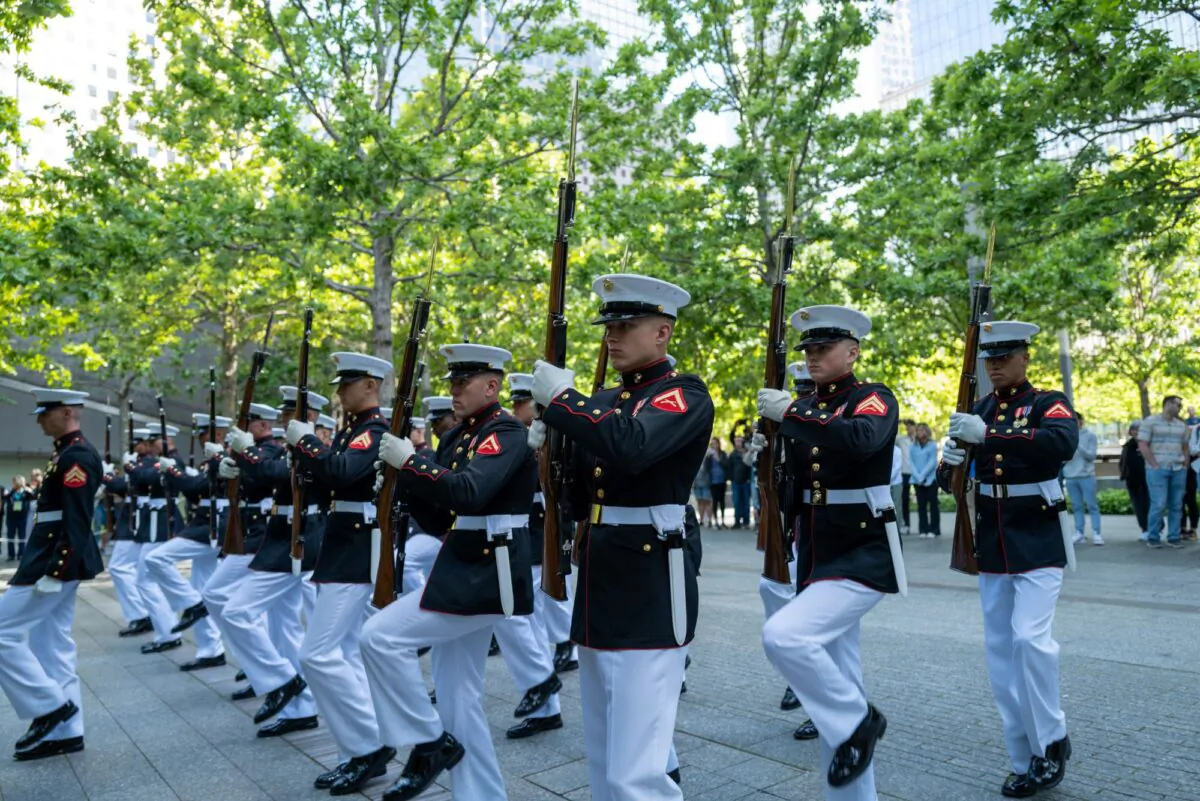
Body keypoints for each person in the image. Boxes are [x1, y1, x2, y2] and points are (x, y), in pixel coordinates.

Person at [531, 273, 712, 801]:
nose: (613, 336)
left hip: (650, 582)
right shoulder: (605, 398)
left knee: (638, 770)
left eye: (627, 325)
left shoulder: (684, 394)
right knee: (606, 755)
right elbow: (576, 498)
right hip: (601, 577)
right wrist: (548, 447)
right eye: (609, 325)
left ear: (663, 332)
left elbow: (631, 447)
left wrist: (566, 402)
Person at [363, 343, 541, 801]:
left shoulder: (505, 432)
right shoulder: (457, 437)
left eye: (464, 383)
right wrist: (402, 479)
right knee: (458, 697)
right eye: (453, 383)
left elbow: (468, 493)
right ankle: (481, 795)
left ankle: (429, 741)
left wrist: (411, 462)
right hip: (462, 566)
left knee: (379, 637)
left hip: (488, 572)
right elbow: (442, 517)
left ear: (493, 385)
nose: (455, 391)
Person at [757, 305, 900, 801]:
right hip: (816, 549)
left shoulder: (873, 397)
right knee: (839, 677)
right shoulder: (808, 408)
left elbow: (862, 441)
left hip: (861, 549)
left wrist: (792, 415)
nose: (813, 356)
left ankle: (861, 721)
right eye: (809, 349)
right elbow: (794, 483)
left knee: (784, 635)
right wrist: (767, 447)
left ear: (852, 351)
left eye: (824, 348)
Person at [938, 320, 1077, 798]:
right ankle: (1024, 757)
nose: (995, 365)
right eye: (989, 358)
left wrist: (988, 437)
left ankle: (1053, 737)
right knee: (1001, 654)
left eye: (1004, 356)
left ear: (1024, 358)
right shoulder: (976, 408)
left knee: (1030, 641)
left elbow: (1061, 443)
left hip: (1037, 537)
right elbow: (947, 476)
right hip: (992, 542)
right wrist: (949, 465)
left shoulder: (1047, 402)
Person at [290, 353, 396, 795]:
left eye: (346, 384)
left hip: (356, 548)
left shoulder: (373, 431)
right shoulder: (352, 430)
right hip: (341, 543)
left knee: (317, 655)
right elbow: (328, 482)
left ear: (370, 384)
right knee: (344, 655)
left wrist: (308, 444)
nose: (338, 392)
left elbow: (342, 470)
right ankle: (355, 751)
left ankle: (369, 746)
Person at [0, 388, 104, 761]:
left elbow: (76, 520)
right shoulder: (66, 451)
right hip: (50, 556)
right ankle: (66, 732)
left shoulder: (76, 455)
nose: (41, 420)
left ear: (65, 413)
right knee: (52, 645)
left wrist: (57, 570)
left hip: (54, 560)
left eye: (45, 413)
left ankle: (50, 707)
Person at [142, 417, 229, 670]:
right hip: (203, 522)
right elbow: (194, 491)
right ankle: (211, 649)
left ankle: (192, 605)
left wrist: (173, 471)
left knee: (155, 559)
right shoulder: (211, 460)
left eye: (208, 436)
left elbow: (195, 485)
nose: (204, 441)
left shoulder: (224, 458)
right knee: (202, 587)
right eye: (202, 437)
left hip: (212, 525)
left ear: (221, 436)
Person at [1138, 395, 1190, 549]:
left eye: (1180, 405)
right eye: (1177, 404)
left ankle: (1174, 537)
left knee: (1176, 504)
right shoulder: (1150, 422)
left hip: (1178, 468)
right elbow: (1143, 444)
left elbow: (1185, 445)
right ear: (1167, 404)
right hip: (1158, 469)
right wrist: (1154, 464)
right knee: (1158, 503)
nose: (1180, 408)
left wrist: (1185, 461)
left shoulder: (1181, 425)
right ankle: (1153, 536)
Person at [1063, 412, 1103, 546]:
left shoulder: (1090, 436)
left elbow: (1091, 456)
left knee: (1092, 506)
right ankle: (1079, 533)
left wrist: (1077, 444)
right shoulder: (1067, 435)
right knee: (1076, 506)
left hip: (1086, 476)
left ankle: (1097, 533)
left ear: (1081, 421)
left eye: (1075, 420)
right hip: (1070, 476)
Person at [1120, 422, 1150, 539]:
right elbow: (1123, 462)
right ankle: (1144, 528)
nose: (1137, 432)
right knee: (1138, 505)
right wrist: (1124, 475)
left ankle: (1154, 527)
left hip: (1148, 479)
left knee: (1150, 504)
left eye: (1139, 429)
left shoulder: (1148, 444)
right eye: (1134, 429)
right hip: (1132, 480)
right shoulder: (1128, 446)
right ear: (1130, 431)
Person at [909, 423, 940, 538]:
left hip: (930, 480)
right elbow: (911, 463)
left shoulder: (932, 445)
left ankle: (934, 529)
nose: (920, 432)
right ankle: (923, 529)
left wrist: (922, 476)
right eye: (918, 430)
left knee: (933, 505)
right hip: (917, 480)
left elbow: (932, 462)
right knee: (921, 506)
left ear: (927, 432)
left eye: (923, 430)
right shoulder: (912, 446)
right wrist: (918, 477)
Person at [729, 435, 754, 529]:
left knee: (746, 502)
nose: (738, 443)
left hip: (746, 481)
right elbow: (730, 468)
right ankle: (737, 522)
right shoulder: (732, 454)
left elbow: (749, 466)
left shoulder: (747, 453)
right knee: (736, 502)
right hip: (736, 482)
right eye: (737, 441)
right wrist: (731, 479)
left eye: (740, 441)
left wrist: (748, 478)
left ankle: (746, 522)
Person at [4, 476, 31, 561]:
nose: (18, 483)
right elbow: (5, 497)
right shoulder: (11, 492)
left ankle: (21, 554)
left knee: (22, 536)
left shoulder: (26, 493)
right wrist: (12, 490)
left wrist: (26, 487)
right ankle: (11, 555)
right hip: (11, 518)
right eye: (16, 482)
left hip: (22, 517)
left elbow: (32, 496)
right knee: (10, 536)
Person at [707, 438, 729, 527]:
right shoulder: (709, 455)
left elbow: (726, 465)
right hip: (713, 481)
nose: (714, 445)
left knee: (722, 501)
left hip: (722, 481)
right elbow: (707, 468)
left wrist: (718, 459)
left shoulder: (723, 454)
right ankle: (716, 520)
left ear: (718, 444)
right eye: (712, 444)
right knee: (715, 501)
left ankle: (723, 520)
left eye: (715, 443)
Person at [899, 419, 915, 534]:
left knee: (923, 499)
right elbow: (891, 435)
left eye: (910, 427)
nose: (908, 429)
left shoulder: (919, 440)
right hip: (905, 473)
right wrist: (897, 423)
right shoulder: (901, 440)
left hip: (917, 472)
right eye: (906, 427)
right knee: (904, 499)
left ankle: (926, 527)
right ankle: (907, 524)